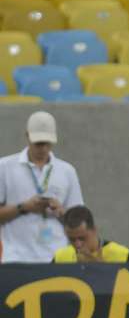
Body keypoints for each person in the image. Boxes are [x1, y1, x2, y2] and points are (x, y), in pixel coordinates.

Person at [0, 111, 84, 263]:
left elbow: (80, 222)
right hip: (16, 259)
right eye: (38, 143)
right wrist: (23, 207)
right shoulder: (4, 167)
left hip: (56, 258)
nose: (44, 148)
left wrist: (62, 212)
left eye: (48, 143)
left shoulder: (67, 171)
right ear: (27, 136)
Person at [53, 205, 129, 263]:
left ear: (94, 230)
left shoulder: (121, 255)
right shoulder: (60, 257)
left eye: (82, 238)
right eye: (72, 239)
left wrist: (98, 268)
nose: (78, 244)